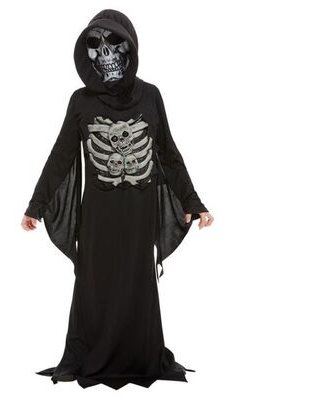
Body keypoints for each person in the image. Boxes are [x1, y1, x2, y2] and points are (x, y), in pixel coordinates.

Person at [21, 9, 214, 390]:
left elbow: (168, 153)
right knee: (95, 285)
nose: (106, 53)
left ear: (130, 46)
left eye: (114, 43)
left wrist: (194, 201)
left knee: (137, 284)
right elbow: (61, 156)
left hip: (140, 214)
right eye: (96, 45)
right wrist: (36, 205)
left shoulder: (151, 95)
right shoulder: (80, 101)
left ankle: (138, 356)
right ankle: (94, 355)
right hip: (98, 214)